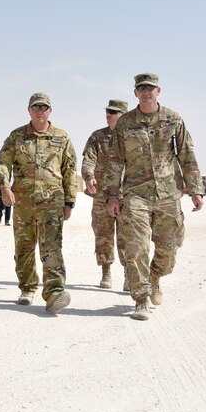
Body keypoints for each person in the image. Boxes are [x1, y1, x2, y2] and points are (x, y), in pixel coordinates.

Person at [104, 73, 203, 321]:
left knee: (169, 248)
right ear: (135, 93)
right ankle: (141, 299)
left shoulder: (173, 119)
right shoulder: (125, 123)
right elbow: (115, 162)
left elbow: (187, 154)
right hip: (135, 194)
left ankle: (155, 276)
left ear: (158, 91)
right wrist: (112, 196)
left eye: (150, 88)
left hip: (168, 194)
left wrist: (195, 190)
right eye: (141, 88)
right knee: (137, 246)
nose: (146, 92)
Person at [0, 93, 79, 313]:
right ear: (29, 110)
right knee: (24, 248)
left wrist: (70, 201)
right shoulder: (17, 136)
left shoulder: (62, 137)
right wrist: (4, 186)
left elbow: (70, 170)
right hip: (23, 203)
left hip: (52, 204)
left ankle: (54, 292)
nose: (40, 111)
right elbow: (3, 163)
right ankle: (27, 288)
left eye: (44, 107)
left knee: (52, 247)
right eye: (36, 107)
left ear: (50, 111)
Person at [79, 99, 128, 291]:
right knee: (102, 235)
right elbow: (88, 160)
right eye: (107, 111)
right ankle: (106, 272)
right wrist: (89, 177)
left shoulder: (132, 137)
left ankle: (129, 274)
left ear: (123, 115)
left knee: (128, 237)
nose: (108, 115)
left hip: (127, 196)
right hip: (101, 196)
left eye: (113, 112)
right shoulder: (97, 137)